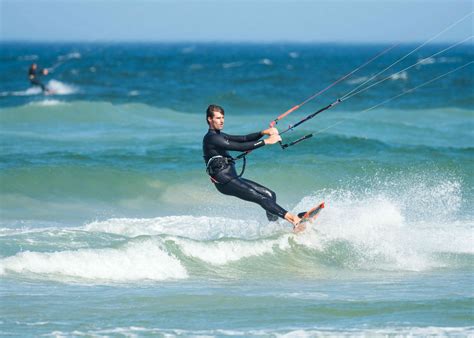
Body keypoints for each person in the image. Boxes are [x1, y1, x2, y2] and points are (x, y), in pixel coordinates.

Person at [202, 104, 306, 232]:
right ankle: (294, 219)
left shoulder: (220, 135)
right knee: (261, 198)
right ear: (209, 119)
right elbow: (240, 147)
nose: (221, 121)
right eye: (218, 118)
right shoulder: (211, 138)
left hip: (232, 177)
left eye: (222, 117)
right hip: (224, 181)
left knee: (270, 195)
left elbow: (243, 139)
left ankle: (274, 227)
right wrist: (266, 141)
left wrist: (263, 133)